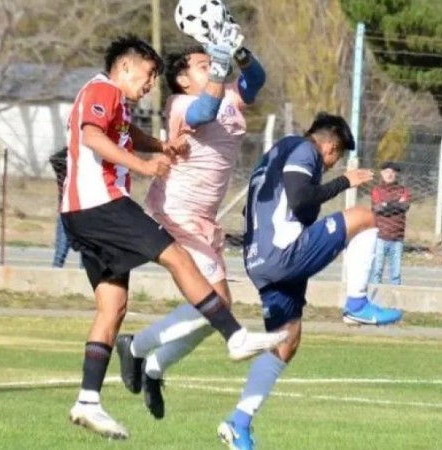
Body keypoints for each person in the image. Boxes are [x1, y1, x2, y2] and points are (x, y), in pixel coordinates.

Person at [60, 34, 286, 441]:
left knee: (112, 307)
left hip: (82, 213)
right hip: (103, 204)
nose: (149, 84)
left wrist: (160, 145)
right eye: (148, 74)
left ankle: (88, 400)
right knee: (176, 257)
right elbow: (93, 136)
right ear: (125, 66)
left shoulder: (118, 102)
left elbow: (125, 131)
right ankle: (235, 337)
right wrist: (144, 166)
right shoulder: (104, 89)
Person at [217, 113, 403, 450]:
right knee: (366, 217)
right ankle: (357, 303)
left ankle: (238, 424)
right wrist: (344, 182)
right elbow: (302, 197)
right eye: (336, 158)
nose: (332, 165)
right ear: (330, 146)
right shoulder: (305, 151)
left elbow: (254, 211)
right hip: (284, 254)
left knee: (285, 342)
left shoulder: (273, 157)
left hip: (259, 261)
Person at [115, 24, 267, 420]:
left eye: (211, 62)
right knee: (217, 306)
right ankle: (136, 348)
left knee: (211, 312)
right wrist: (220, 63)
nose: (212, 67)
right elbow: (205, 110)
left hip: (204, 218)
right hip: (177, 211)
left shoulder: (230, 95)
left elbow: (256, 78)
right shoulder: (182, 105)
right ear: (183, 79)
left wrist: (239, 52)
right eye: (202, 64)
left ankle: (151, 365)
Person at [370, 161, 410, 285]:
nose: (390, 174)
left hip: (397, 238)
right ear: (382, 173)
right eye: (387, 172)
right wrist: (395, 204)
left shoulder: (404, 190)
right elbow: (377, 208)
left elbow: (404, 206)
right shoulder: (376, 190)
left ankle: (394, 302)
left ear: (396, 174)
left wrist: (386, 204)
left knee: (396, 274)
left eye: (393, 172)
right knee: (376, 271)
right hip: (380, 237)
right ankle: (375, 300)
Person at [49, 147, 82, 269]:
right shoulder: (63, 168)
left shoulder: (89, 171)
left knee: (86, 255)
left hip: (85, 214)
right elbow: (54, 159)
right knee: (60, 254)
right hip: (67, 213)